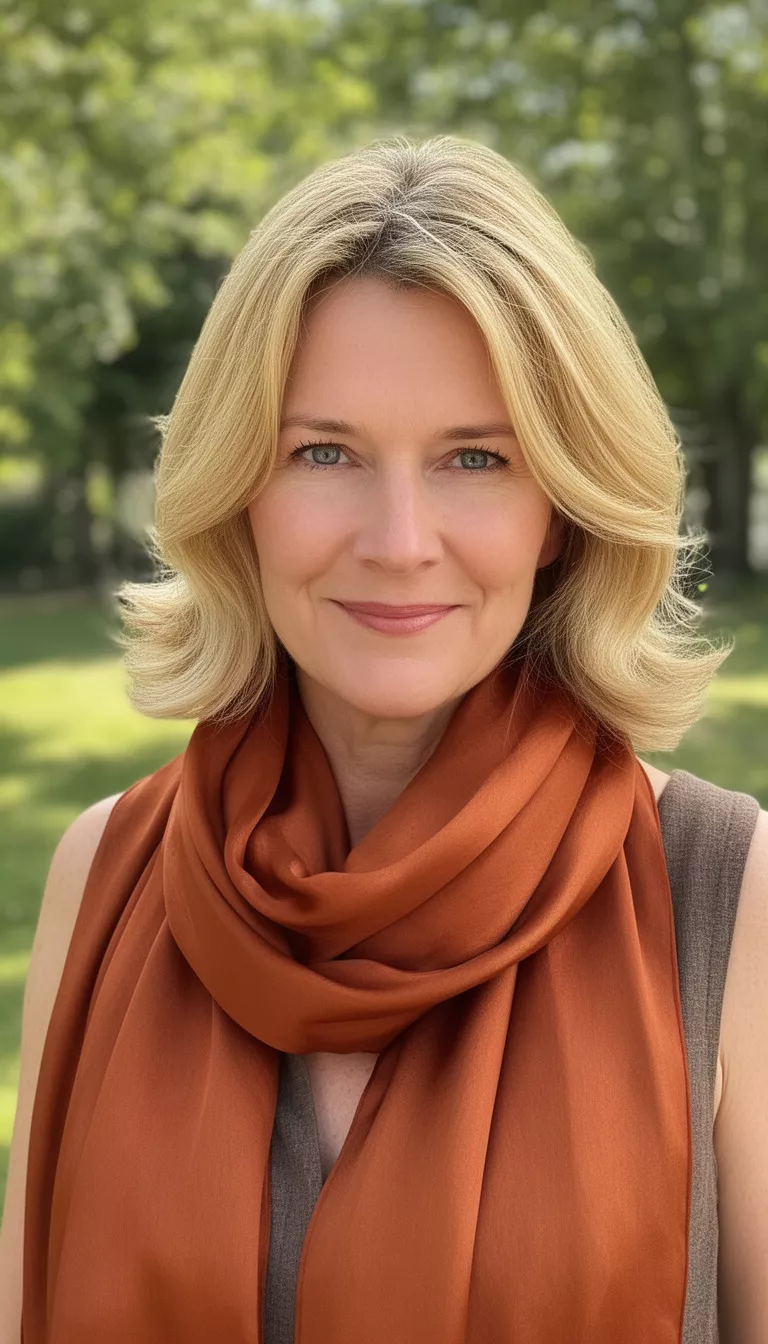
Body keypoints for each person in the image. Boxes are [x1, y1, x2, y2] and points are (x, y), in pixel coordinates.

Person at [1, 134, 766, 1344]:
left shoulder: (727, 886)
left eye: (476, 458)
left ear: (560, 508)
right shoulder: (102, 874)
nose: (400, 540)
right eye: (325, 453)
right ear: (239, 492)